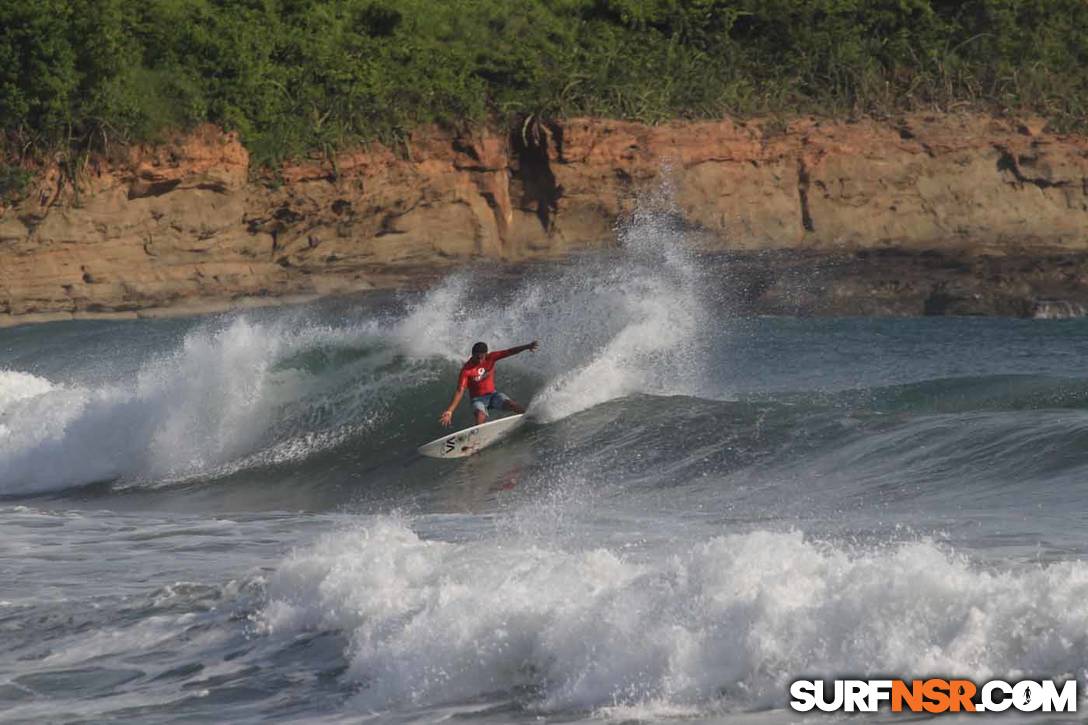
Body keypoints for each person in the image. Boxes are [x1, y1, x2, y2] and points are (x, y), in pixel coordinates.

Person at [439, 340, 538, 427]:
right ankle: (477, 438)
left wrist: (527, 346)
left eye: (482, 357)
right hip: (478, 399)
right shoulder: (466, 370)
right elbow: (460, 390)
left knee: (512, 404)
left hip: (493, 395)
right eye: (477, 357)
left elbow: (509, 352)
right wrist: (450, 411)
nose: (480, 360)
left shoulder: (491, 358)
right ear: (472, 354)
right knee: (480, 415)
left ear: (486, 354)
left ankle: (530, 419)